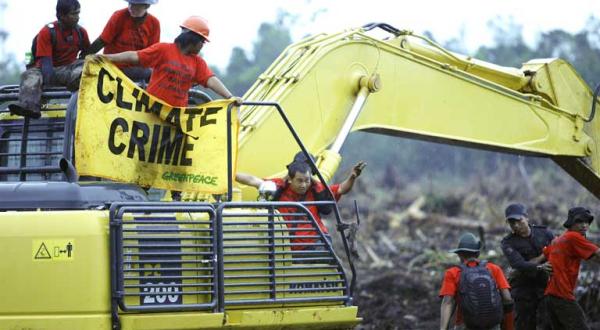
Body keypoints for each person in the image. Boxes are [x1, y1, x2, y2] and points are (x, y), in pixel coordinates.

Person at [93, 15, 240, 107]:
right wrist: (107, 58)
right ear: (193, 39)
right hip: (151, 111)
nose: (203, 45)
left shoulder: (198, 63)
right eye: (202, 41)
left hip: (175, 117)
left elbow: (211, 80)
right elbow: (134, 56)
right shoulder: (163, 50)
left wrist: (230, 97)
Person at [236, 154, 366, 251]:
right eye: (299, 181)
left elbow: (341, 189)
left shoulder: (317, 189)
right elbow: (252, 180)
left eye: (307, 180)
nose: (303, 185)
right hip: (286, 246)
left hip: (314, 244)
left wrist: (352, 176)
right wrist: (229, 174)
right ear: (291, 178)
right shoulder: (278, 187)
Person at [8, 0, 90, 119]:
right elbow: (47, 69)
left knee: (90, 69)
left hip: (69, 68)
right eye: (74, 14)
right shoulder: (47, 32)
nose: (77, 17)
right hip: (45, 69)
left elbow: (88, 54)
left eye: (78, 13)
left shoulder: (81, 32)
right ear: (62, 15)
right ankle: (29, 107)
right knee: (30, 76)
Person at [440, 233, 514, 330]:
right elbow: (507, 298)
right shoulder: (493, 269)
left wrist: (443, 328)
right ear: (478, 253)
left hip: (465, 324)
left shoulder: (453, 273)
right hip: (492, 324)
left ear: (459, 254)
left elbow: (447, 302)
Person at [543, 207, 600, 330]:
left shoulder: (558, 240)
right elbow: (598, 253)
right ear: (571, 223)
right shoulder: (573, 237)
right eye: (579, 222)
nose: (584, 225)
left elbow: (547, 255)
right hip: (562, 295)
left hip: (550, 296)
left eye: (587, 222)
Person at [500, 203, 554, 330]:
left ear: (526, 218)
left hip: (545, 286)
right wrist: (542, 257)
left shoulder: (544, 233)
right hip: (522, 289)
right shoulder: (508, 242)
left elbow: (558, 251)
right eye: (512, 223)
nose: (516, 225)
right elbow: (519, 264)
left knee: (548, 322)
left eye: (519, 221)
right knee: (525, 324)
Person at [81, 0, 160, 81]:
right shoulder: (119, 16)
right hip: (113, 66)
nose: (130, 8)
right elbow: (102, 40)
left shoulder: (154, 23)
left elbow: (151, 53)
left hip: (135, 69)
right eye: (130, 4)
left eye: (135, 5)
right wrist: (84, 56)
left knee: (152, 73)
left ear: (147, 6)